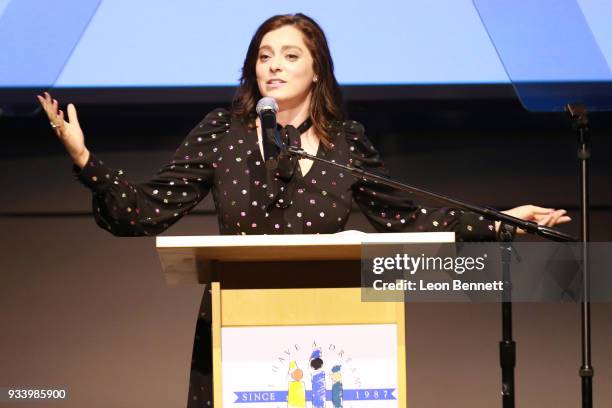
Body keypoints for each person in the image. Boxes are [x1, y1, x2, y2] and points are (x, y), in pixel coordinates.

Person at [37, 13, 570, 407]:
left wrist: (504, 221)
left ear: (317, 71)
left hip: (333, 336)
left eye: (290, 55)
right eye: (264, 55)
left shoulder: (347, 144)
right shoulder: (222, 134)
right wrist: (85, 159)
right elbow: (146, 211)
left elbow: (407, 218)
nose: (273, 65)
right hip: (235, 329)